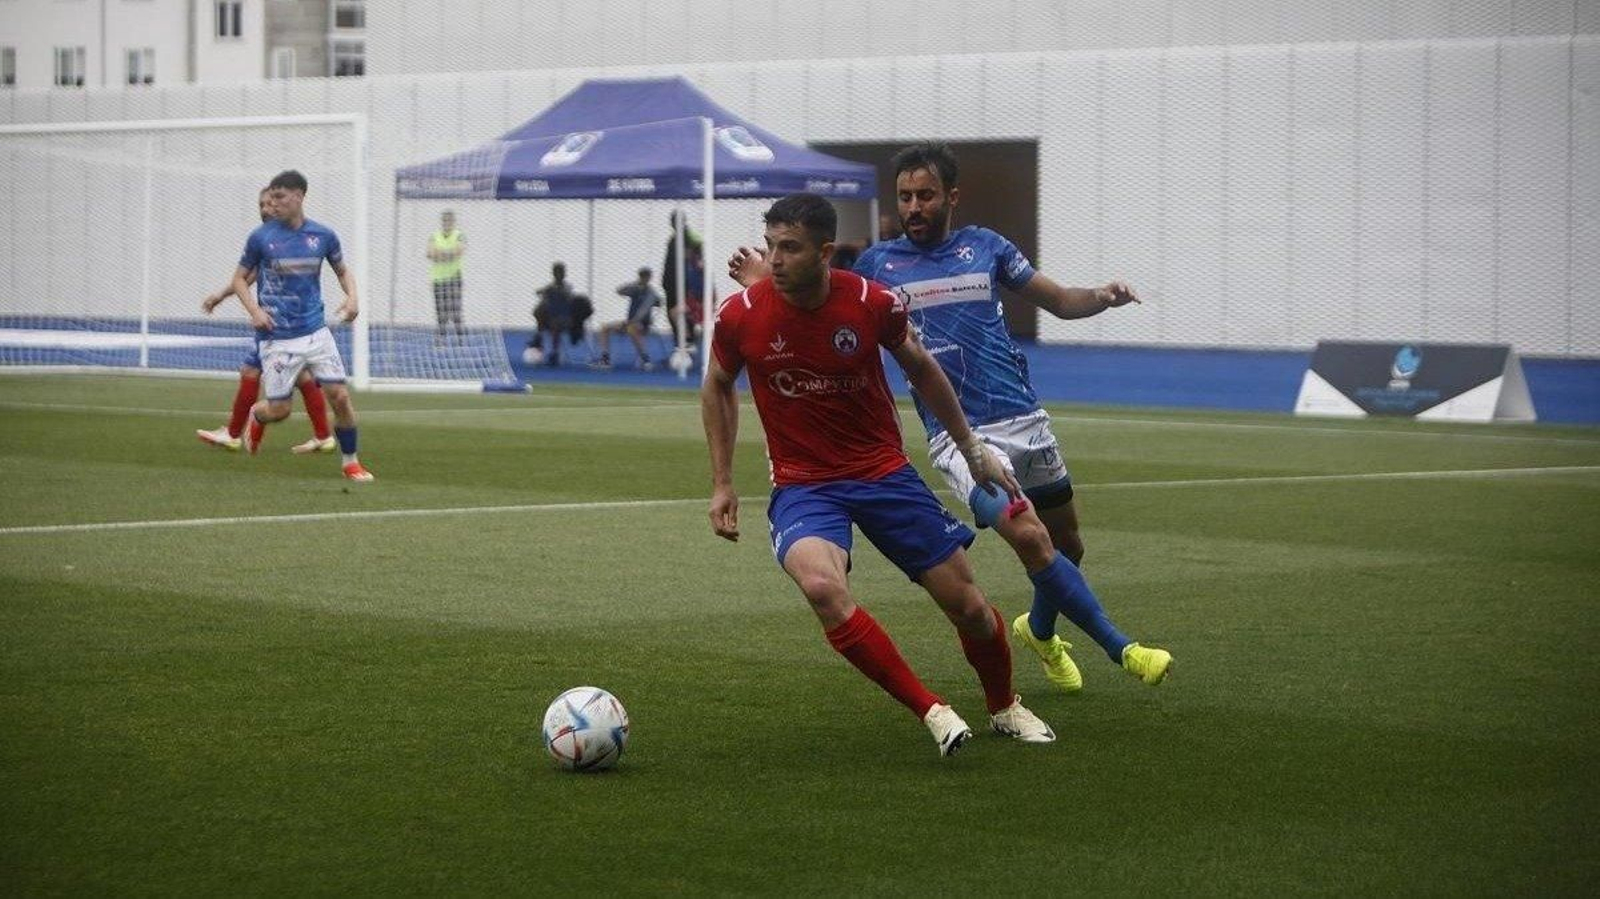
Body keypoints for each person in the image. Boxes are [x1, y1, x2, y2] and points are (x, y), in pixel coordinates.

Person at [730, 142, 1172, 693]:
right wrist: (760, 282)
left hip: (1025, 418)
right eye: (905, 196)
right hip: (960, 436)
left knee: (1067, 545)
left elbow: (1057, 300)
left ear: (951, 197)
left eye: (925, 195)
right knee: (1030, 537)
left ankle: (1038, 630)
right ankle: (1122, 648)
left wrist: (1101, 295)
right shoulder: (875, 266)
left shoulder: (986, 247)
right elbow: (815, 300)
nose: (913, 206)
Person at [703, 193, 1054, 757]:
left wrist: (970, 447)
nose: (776, 259)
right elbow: (718, 384)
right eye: (771, 247)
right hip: (804, 484)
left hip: (884, 474)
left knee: (968, 607)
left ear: (825, 252)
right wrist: (722, 480)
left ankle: (1005, 706)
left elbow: (921, 365)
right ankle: (931, 710)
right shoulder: (741, 313)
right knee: (821, 585)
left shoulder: (871, 302)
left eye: (790, 248)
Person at [231, 169, 373, 482]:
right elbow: (239, 279)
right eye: (270, 198)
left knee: (340, 396)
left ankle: (351, 462)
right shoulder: (261, 237)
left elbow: (342, 270)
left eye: (279, 197)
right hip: (277, 338)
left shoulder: (322, 236)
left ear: (299, 196)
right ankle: (258, 415)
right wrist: (254, 310)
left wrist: (352, 298)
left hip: (316, 333)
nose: (273, 204)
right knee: (279, 411)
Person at [195, 187, 334, 455]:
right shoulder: (274, 238)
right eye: (261, 204)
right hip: (291, 324)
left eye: (271, 204)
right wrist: (222, 295)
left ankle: (234, 433)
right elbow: (252, 276)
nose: (265, 209)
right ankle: (323, 435)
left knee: (252, 372)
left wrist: (228, 299)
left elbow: (250, 276)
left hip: (278, 327)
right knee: (302, 375)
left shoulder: (277, 239)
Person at [591, 267, 663, 371]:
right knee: (604, 328)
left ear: (649, 278)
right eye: (641, 276)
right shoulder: (635, 289)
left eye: (645, 277)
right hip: (630, 323)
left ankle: (646, 360)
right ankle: (605, 359)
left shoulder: (651, 293)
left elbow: (644, 310)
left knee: (632, 329)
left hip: (643, 323)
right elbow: (619, 291)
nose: (643, 279)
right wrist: (634, 285)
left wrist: (634, 321)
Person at [531, 262, 591, 367]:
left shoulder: (567, 287)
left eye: (560, 272)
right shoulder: (549, 288)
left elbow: (568, 297)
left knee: (555, 324)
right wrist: (546, 293)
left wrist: (556, 292)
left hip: (566, 320)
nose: (558, 274)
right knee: (540, 310)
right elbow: (539, 294)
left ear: (564, 274)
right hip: (551, 319)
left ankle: (554, 353)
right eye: (556, 272)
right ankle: (538, 338)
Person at [662, 210, 702, 347]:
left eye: (675, 221)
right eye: (672, 221)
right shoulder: (674, 238)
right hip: (670, 283)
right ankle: (680, 341)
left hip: (684, 283)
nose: (673, 224)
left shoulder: (689, 236)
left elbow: (697, 254)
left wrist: (690, 255)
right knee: (671, 312)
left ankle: (688, 341)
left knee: (683, 312)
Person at [426, 210, 465, 339]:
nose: (447, 223)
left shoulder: (459, 235)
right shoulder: (434, 236)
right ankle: (441, 337)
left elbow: (458, 251)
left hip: (454, 277)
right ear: (442, 222)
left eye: (450, 221)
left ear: (453, 222)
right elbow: (430, 254)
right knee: (440, 310)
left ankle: (460, 337)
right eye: (445, 221)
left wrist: (440, 254)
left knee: (455, 310)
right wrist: (449, 253)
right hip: (438, 279)